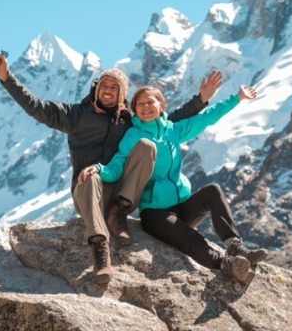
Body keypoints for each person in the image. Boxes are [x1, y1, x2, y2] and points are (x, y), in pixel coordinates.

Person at [0, 51, 223, 284]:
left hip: (119, 191)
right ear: (96, 88)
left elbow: (167, 120)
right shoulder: (75, 115)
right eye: (104, 85)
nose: (108, 90)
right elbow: (36, 107)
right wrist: (6, 77)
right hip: (87, 191)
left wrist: (200, 100)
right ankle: (101, 251)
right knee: (91, 176)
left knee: (146, 145)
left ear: (122, 95)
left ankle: (118, 214)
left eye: (114, 87)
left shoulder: (129, 120)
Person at [79, 83, 268, 284]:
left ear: (161, 105)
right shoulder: (133, 135)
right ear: (134, 110)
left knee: (213, 190)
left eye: (150, 102)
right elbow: (117, 166)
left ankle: (235, 246)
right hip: (155, 213)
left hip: (183, 206)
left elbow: (207, 117)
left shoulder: (173, 130)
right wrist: (99, 169)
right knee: (189, 237)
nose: (145, 107)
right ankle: (227, 265)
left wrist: (236, 98)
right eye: (140, 104)